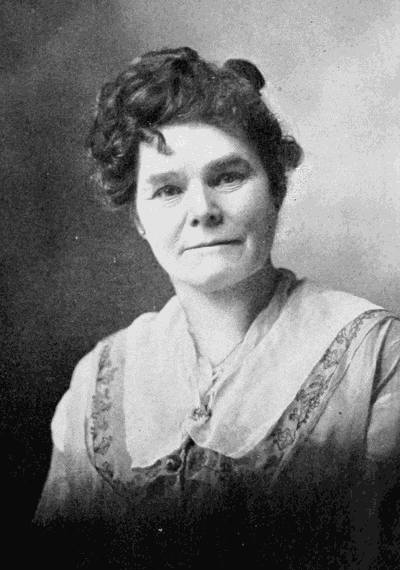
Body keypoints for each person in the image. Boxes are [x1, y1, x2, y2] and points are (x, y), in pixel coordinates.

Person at [34, 47, 400, 569]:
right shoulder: (96, 380)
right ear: (137, 218)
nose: (202, 210)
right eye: (167, 190)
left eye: (228, 177)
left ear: (276, 188)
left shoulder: (378, 354)